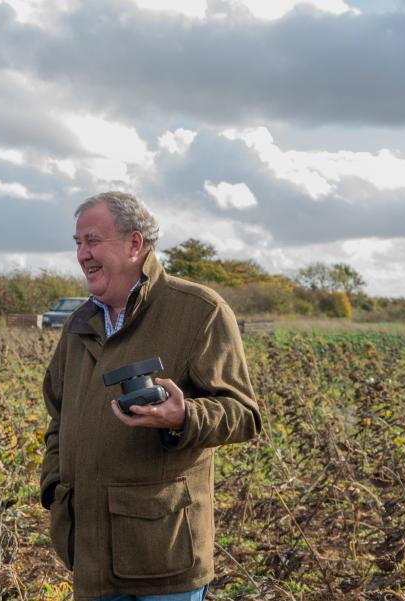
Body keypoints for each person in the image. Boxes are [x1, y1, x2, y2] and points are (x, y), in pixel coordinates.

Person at [40, 192, 262, 601]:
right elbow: (59, 417)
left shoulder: (199, 310)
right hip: (89, 552)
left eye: (92, 241)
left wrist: (184, 417)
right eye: (77, 244)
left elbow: (243, 413)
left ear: (134, 244)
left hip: (163, 554)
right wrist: (54, 486)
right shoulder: (78, 325)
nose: (82, 254)